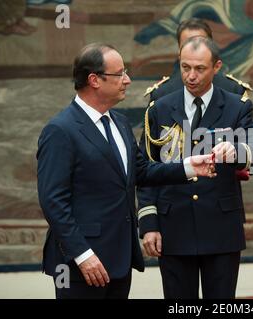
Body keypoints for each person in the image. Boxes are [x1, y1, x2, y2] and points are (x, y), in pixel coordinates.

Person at [37, 43, 215, 299]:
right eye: (120, 73)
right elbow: (52, 201)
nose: (127, 80)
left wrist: (188, 168)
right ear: (94, 80)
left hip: (119, 258)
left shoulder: (119, 122)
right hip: (81, 263)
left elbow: (140, 172)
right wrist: (82, 255)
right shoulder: (60, 130)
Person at [138, 36, 253, 299]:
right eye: (185, 67)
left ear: (216, 67)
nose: (191, 76)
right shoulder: (160, 109)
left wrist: (235, 151)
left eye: (199, 69)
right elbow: (147, 170)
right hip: (173, 225)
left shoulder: (236, 105)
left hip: (220, 227)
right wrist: (149, 223)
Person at [143, 18, 250, 103]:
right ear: (179, 50)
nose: (194, 49)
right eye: (187, 44)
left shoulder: (233, 90)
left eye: (201, 43)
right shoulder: (162, 94)